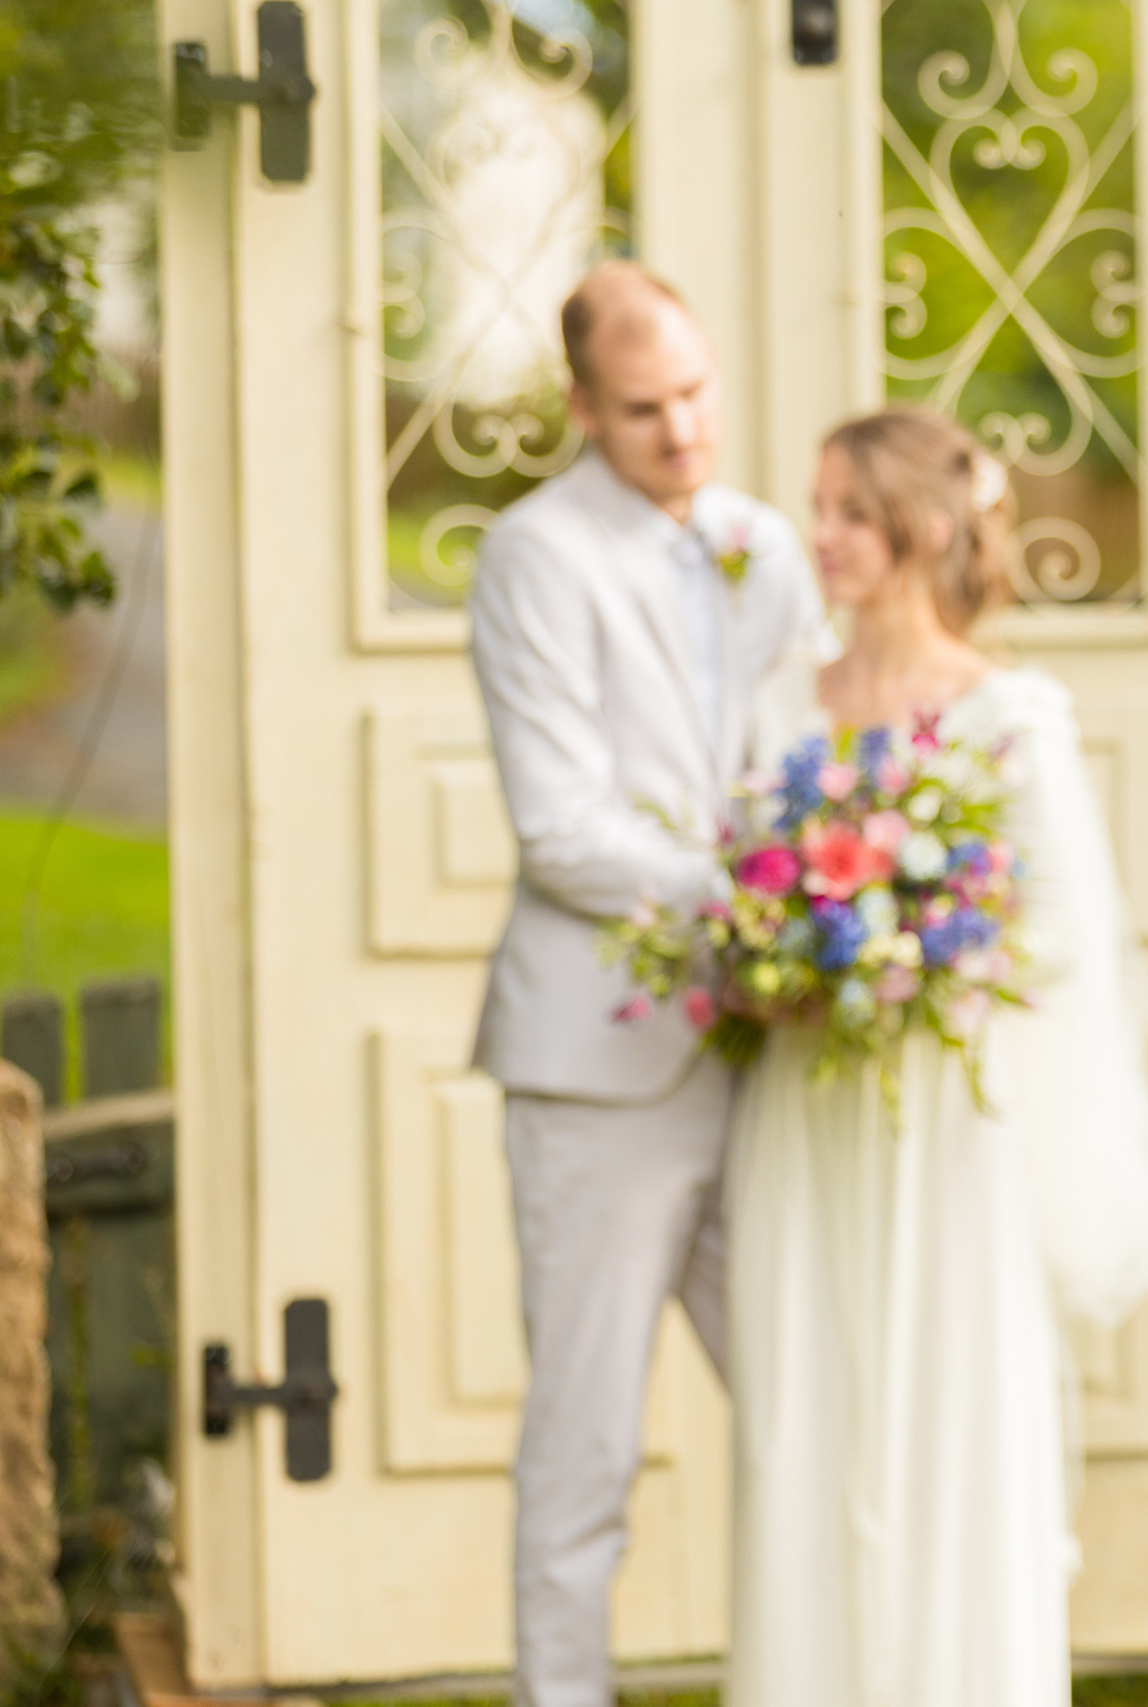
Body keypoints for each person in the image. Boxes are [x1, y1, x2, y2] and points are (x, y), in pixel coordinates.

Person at [725, 407, 1148, 1707]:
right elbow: (747, 878)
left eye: (845, 513)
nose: (817, 537)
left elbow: (1057, 937)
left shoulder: (1008, 715)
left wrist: (914, 964)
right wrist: (772, 958)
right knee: (803, 1424)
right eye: (816, 509)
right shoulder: (780, 703)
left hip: (944, 1124)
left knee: (948, 1424)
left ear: (923, 530)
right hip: (806, 1118)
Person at [466, 262, 824, 1707]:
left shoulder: (767, 542)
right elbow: (562, 833)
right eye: (641, 409)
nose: (681, 432)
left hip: (774, 1062)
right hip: (598, 1070)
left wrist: (825, 905)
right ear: (579, 410)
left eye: (696, 394)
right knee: (585, 1450)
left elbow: (806, 758)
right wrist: (765, 914)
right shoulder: (534, 556)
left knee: (818, 1415)